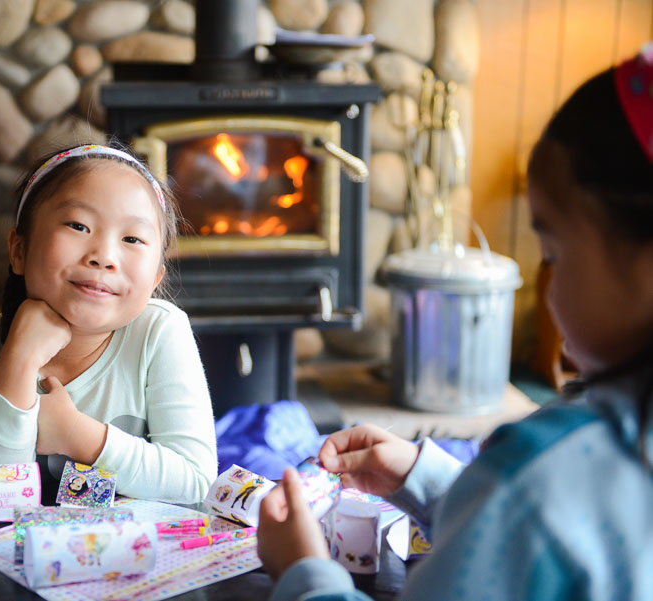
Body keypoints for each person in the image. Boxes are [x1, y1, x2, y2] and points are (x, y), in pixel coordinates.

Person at [258, 47, 653, 601]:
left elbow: (529, 517)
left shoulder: (534, 475)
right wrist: (424, 479)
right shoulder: (546, 486)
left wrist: (303, 571)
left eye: (552, 252)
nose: (550, 285)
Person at [0, 144, 218, 515]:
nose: (103, 256)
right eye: (78, 226)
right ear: (19, 250)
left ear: (156, 278)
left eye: (132, 239)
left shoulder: (159, 331)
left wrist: (78, 435)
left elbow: (194, 482)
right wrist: (19, 359)